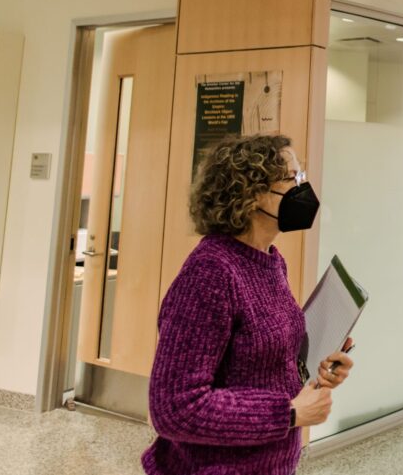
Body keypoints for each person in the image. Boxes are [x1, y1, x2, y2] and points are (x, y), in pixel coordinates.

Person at [142, 134, 354, 475]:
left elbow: (266, 362)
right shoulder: (210, 274)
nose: (305, 188)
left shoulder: (270, 260)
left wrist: (316, 367)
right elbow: (174, 407)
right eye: (292, 179)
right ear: (251, 194)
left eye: (303, 176)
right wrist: (288, 413)